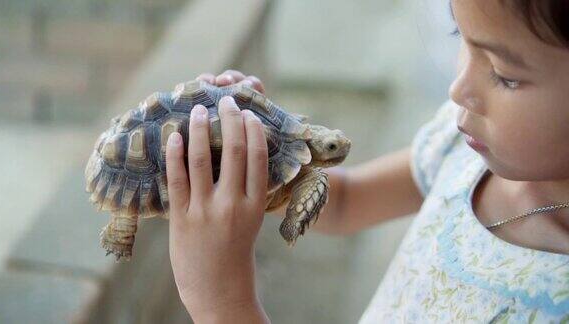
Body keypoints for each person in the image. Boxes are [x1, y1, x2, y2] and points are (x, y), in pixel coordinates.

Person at [165, 0, 569, 322]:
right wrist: (254, 150)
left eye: (504, 74)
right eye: (461, 37)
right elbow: (345, 201)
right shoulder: (461, 147)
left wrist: (223, 304)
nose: (458, 88)